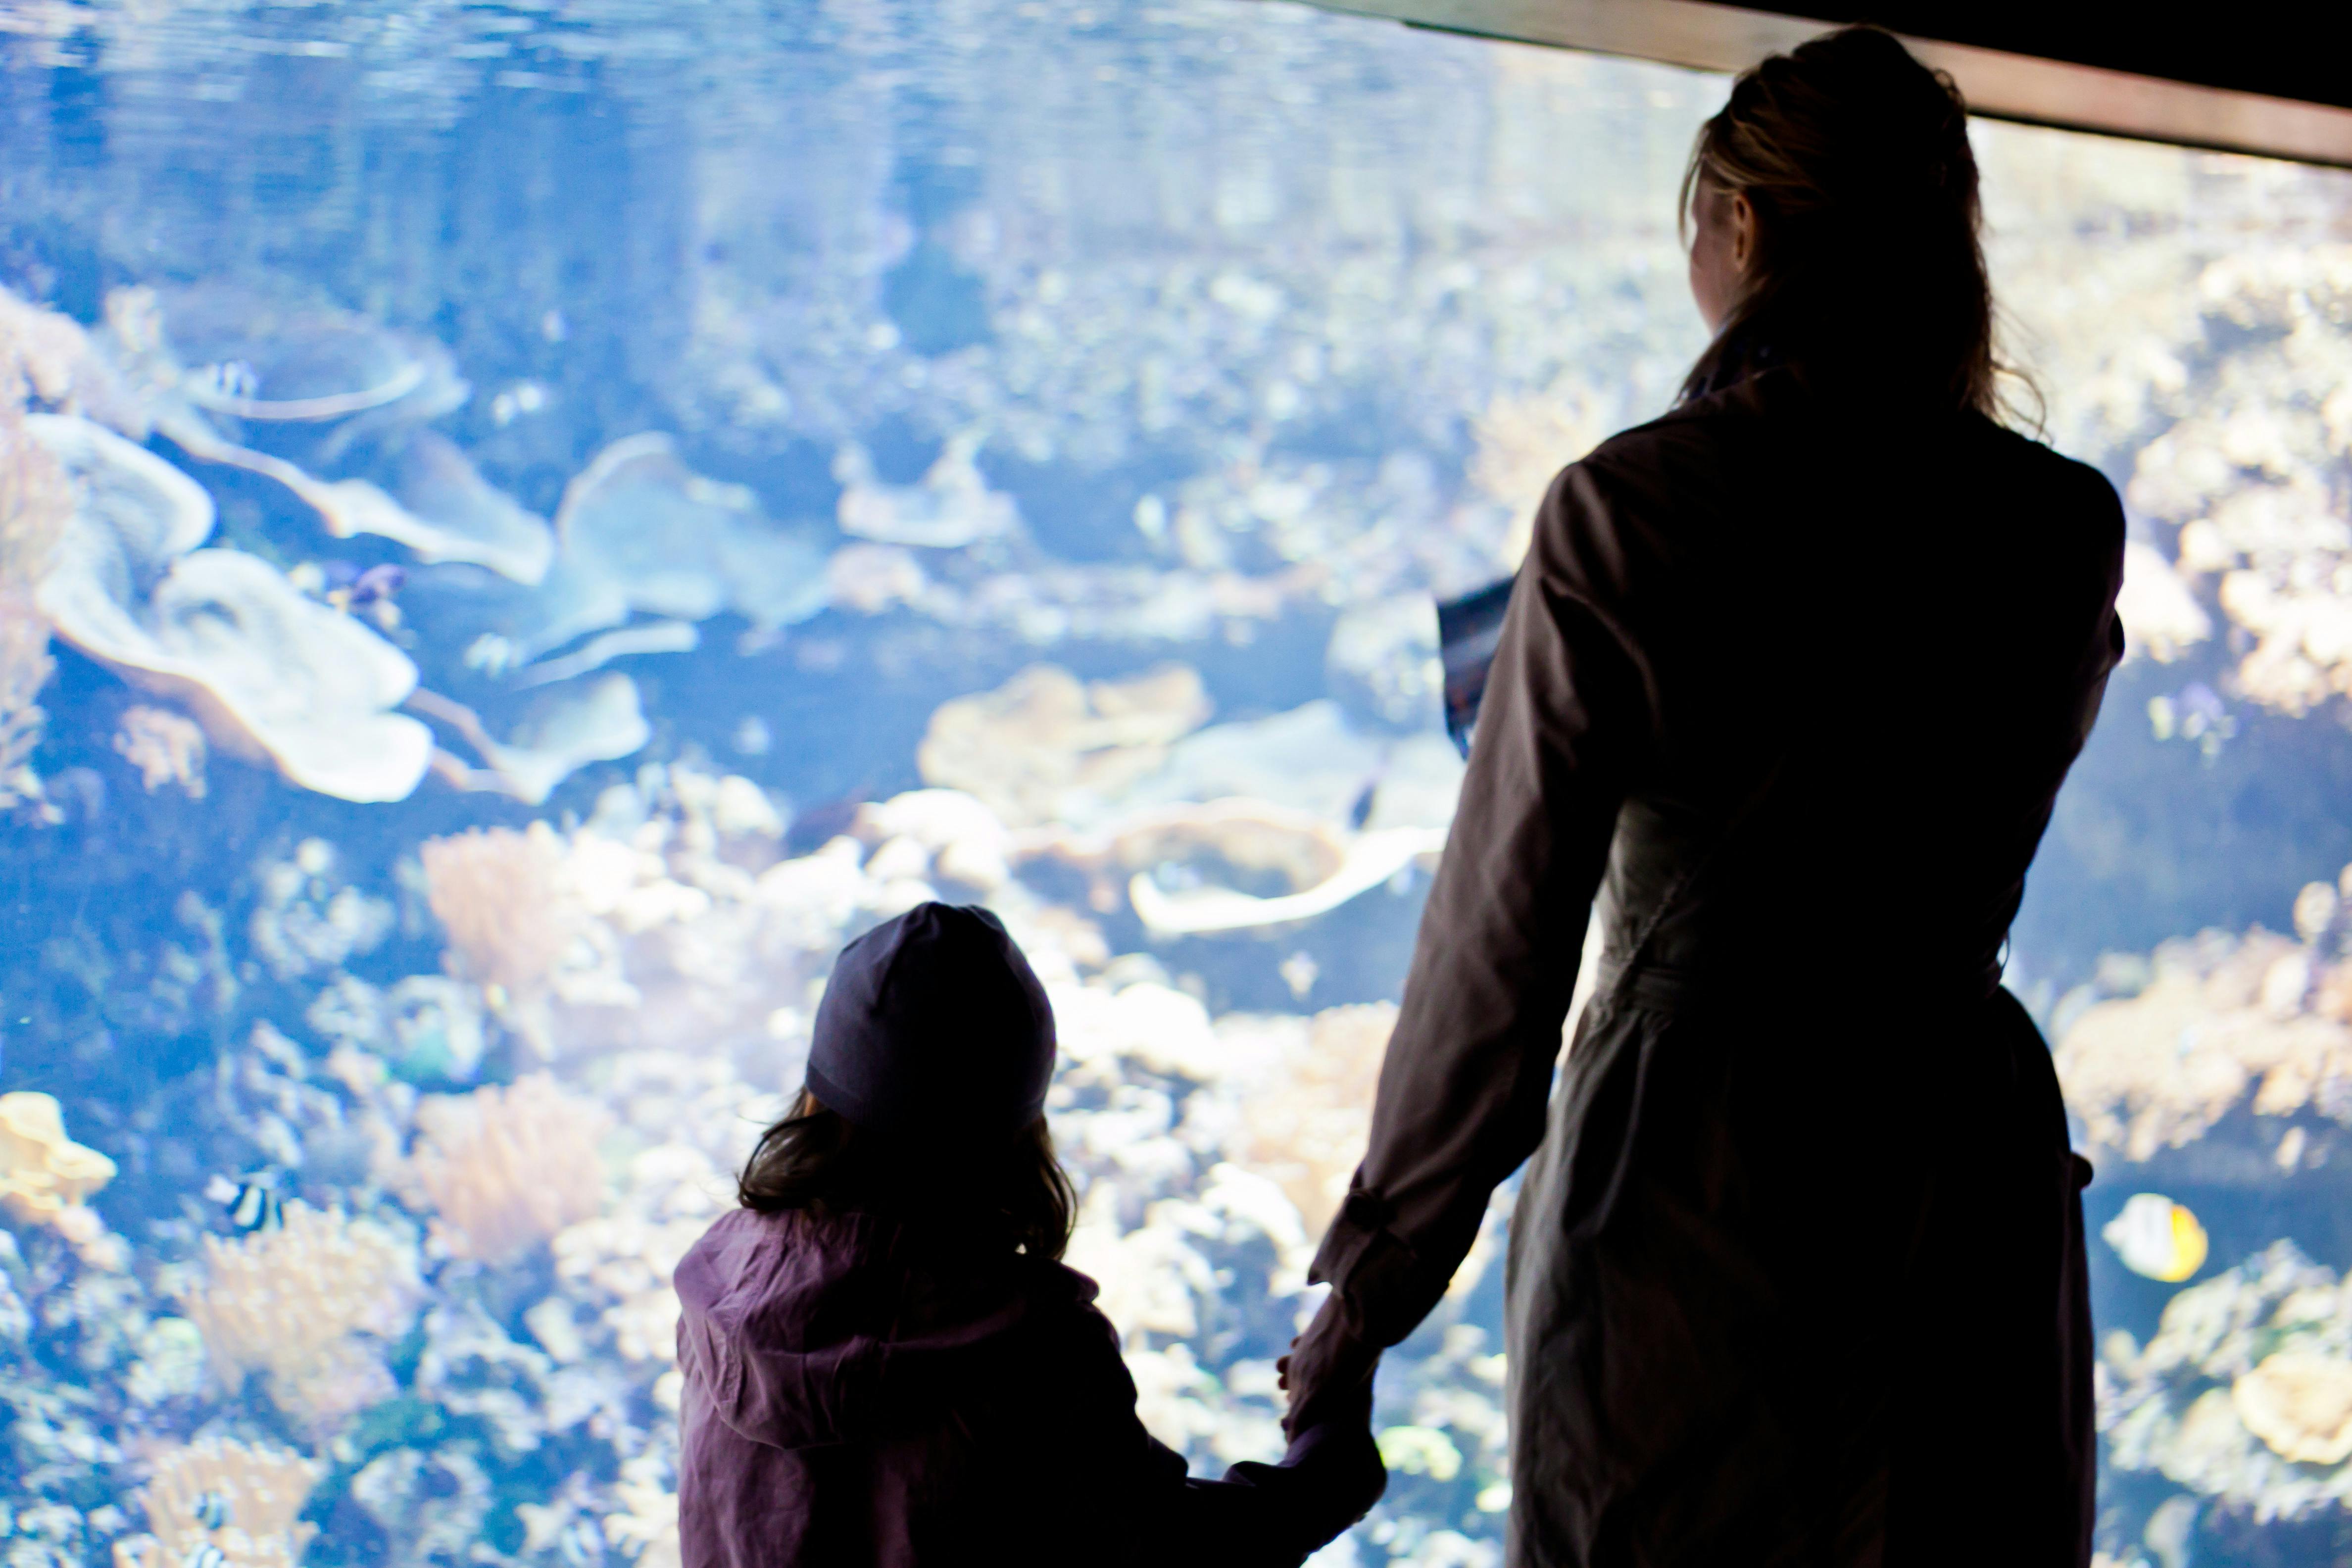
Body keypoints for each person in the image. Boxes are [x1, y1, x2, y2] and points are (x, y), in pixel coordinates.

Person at [1280, 26, 2121, 1568]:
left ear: (1741, 225)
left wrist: (1374, 1288)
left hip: (1700, 1165)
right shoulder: (2064, 528)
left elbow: (1497, 955)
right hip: (1963, 1153)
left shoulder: (1628, 513)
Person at [675, 900, 1384, 1568]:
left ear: (817, 1093)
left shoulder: (717, 1286)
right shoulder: (1036, 1350)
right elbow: (1182, 1552)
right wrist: (1332, 1448)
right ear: (1018, 1127)